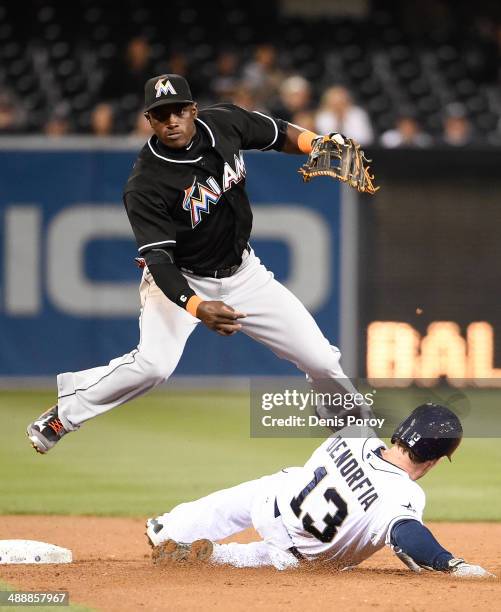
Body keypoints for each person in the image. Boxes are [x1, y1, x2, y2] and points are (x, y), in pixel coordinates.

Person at [27, 73, 358, 454]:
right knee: (154, 365)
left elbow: (277, 132)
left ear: (193, 110)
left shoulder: (225, 124)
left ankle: (353, 443)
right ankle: (64, 413)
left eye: (178, 111)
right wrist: (197, 306)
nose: (171, 121)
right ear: (149, 121)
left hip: (244, 273)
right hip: (179, 278)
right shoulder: (146, 183)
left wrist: (315, 142)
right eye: (161, 114)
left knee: (320, 358)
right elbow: (159, 260)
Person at [145, 404, 493, 578]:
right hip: (297, 556)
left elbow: (326, 404)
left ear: (399, 433)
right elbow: (410, 535)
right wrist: (450, 564)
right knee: (268, 559)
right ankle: (219, 558)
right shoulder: (404, 496)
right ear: (433, 461)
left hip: (274, 503)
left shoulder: (356, 434)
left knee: (269, 487)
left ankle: (170, 528)